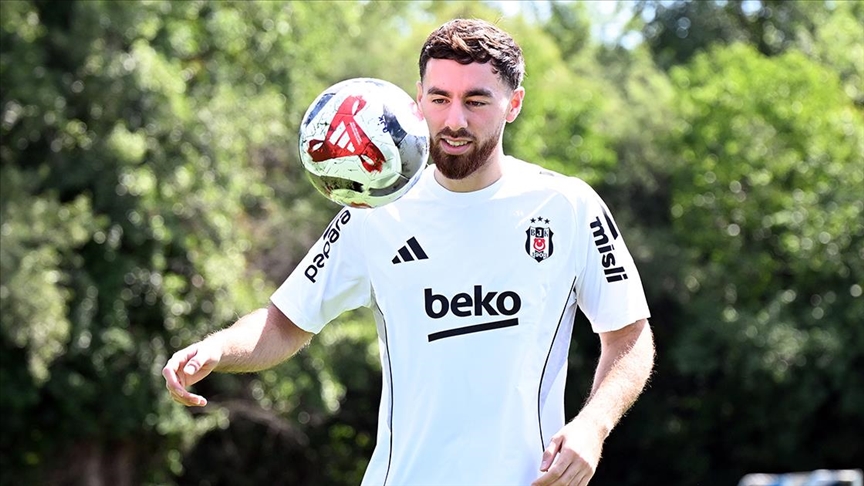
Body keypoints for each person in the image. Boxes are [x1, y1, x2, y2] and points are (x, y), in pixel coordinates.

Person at [163, 18, 655, 486]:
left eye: (476, 101)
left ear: (514, 103)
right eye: (440, 98)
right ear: (418, 99)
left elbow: (629, 336)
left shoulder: (567, 205)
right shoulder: (375, 208)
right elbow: (286, 321)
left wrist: (593, 426)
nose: (455, 120)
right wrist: (216, 349)